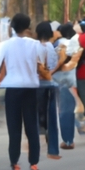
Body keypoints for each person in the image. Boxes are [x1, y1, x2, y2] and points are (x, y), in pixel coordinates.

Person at [0, 13, 41, 170]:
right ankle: (34, 163)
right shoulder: (35, 44)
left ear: (12, 27)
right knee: (31, 126)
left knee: (14, 128)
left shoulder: (6, 45)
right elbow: (43, 62)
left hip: (13, 89)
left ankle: (15, 163)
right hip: (30, 88)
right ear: (28, 26)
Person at [53, 23, 81, 149]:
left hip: (60, 80)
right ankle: (70, 139)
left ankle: (67, 140)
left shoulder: (60, 43)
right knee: (69, 110)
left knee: (63, 111)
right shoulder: (75, 42)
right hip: (72, 79)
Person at [35, 21, 61, 159]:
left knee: (39, 114)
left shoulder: (36, 47)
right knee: (51, 115)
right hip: (51, 83)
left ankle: (37, 144)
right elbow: (54, 65)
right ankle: (53, 148)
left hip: (39, 83)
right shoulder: (52, 47)